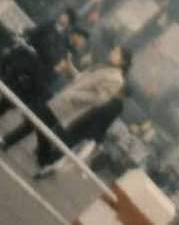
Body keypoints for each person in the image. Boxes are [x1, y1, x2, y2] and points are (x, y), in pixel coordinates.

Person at [32, 43, 132, 177]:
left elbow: (99, 98)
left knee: (41, 123)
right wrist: (70, 67)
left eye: (116, 52)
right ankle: (44, 157)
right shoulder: (102, 66)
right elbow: (80, 80)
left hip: (77, 110)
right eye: (113, 49)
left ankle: (45, 157)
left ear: (123, 61)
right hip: (65, 100)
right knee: (40, 122)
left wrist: (74, 96)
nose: (111, 52)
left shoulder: (116, 79)